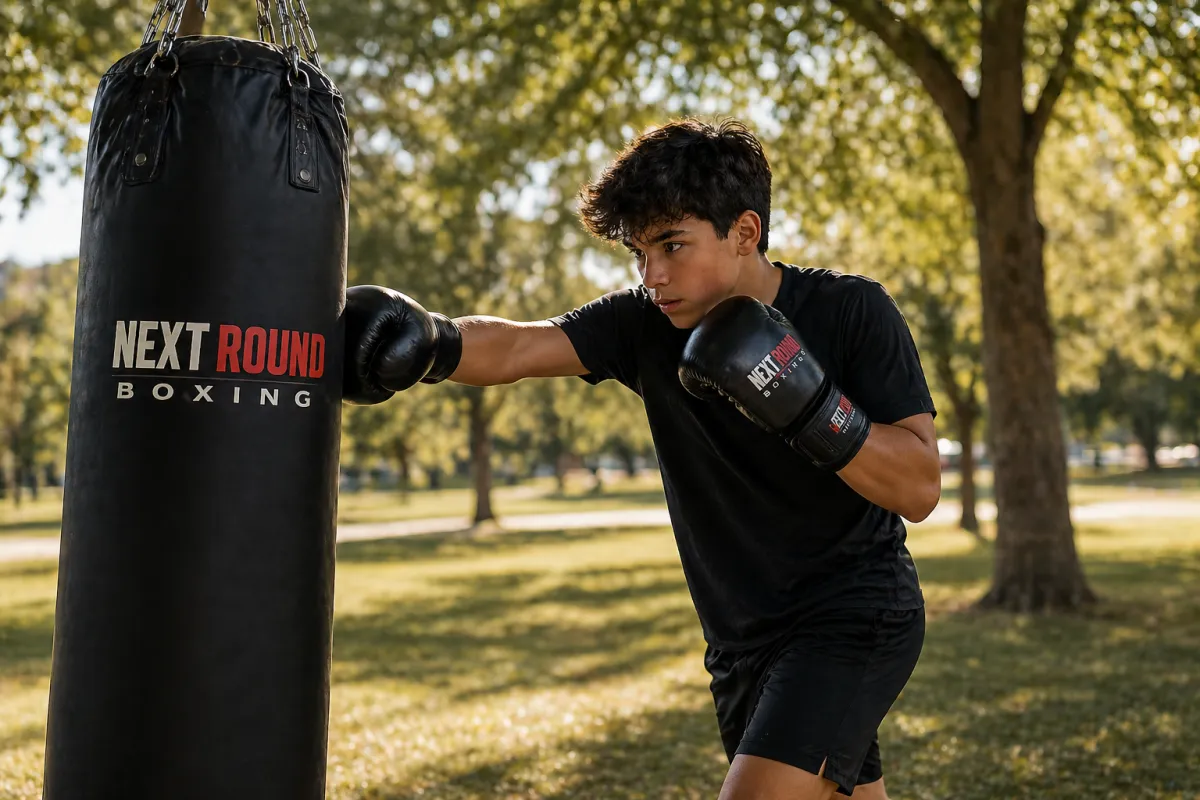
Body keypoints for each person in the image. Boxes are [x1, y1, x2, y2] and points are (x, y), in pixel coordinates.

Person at [344, 119, 941, 800]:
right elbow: (516, 348)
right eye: (638, 252)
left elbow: (919, 487)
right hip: (739, 638)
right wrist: (430, 342)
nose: (653, 274)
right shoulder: (645, 323)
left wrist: (808, 406)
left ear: (745, 232)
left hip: (852, 613)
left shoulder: (850, 310)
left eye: (672, 245)